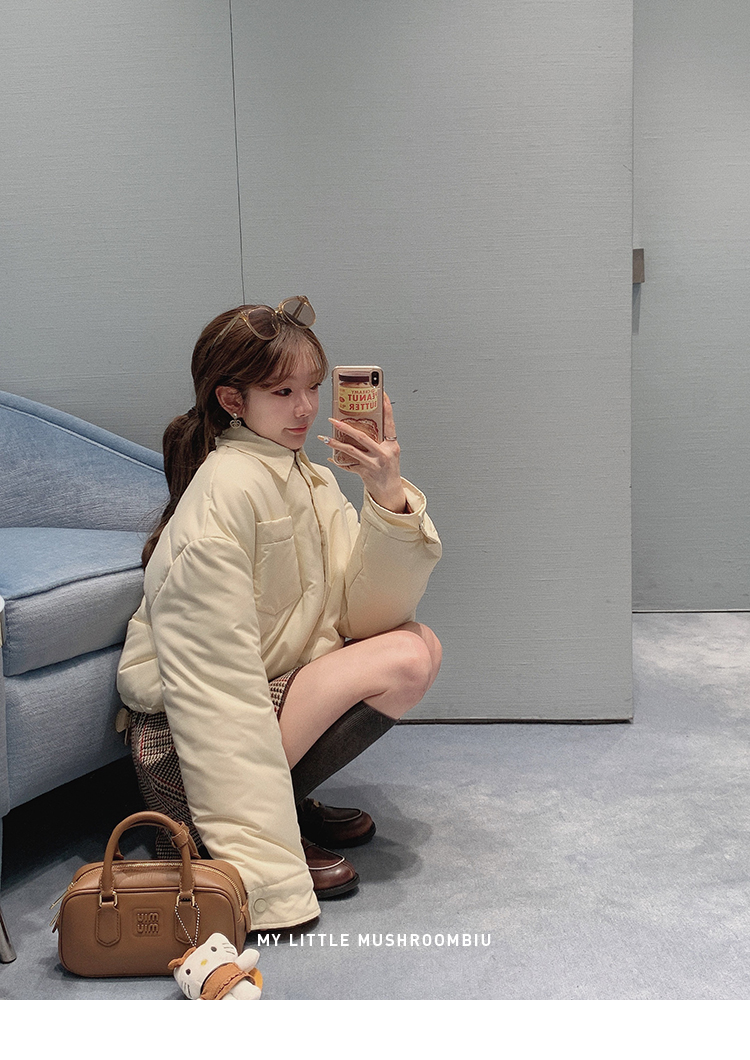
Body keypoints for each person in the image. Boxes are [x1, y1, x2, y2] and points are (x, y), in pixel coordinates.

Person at [116, 297, 442, 931]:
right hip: (183, 747)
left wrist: (386, 495)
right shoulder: (224, 491)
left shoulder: (304, 476)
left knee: (417, 644)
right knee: (406, 656)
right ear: (232, 400)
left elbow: (365, 613)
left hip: (258, 704)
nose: (305, 408)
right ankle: (236, 833)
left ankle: (284, 802)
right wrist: (266, 880)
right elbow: (214, 691)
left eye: (313, 388)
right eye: (282, 391)